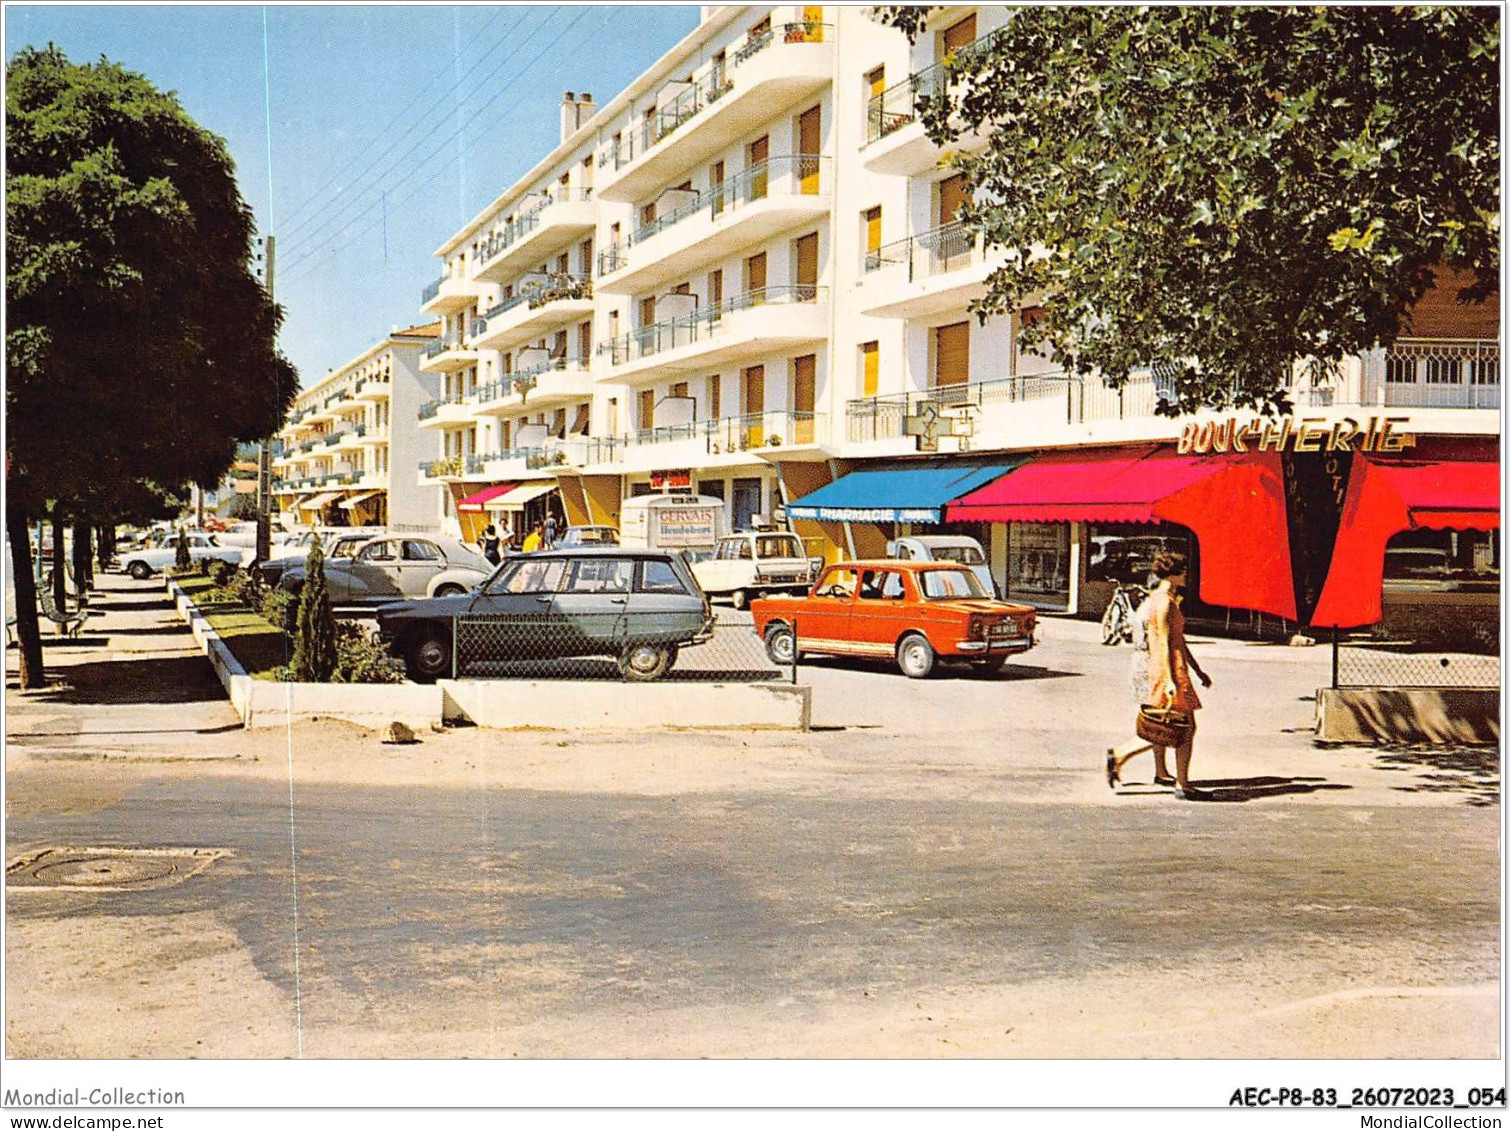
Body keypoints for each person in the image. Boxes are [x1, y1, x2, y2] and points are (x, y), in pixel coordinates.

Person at [1141, 551, 1212, 800]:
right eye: (1183, 571)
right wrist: (1170, 679)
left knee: (1170, 725)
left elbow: (1179, 640)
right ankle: (1183, 784)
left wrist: (1197, 668)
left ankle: (1174, 777)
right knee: (1185, 727)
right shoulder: (1163, 601)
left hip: (1174, 666)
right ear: (1173, 573)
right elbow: (1161, 641)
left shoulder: (1168, 598)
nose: (1186, 575)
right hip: (1169, 669)